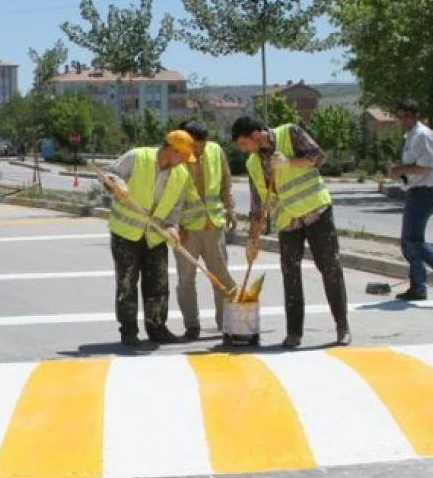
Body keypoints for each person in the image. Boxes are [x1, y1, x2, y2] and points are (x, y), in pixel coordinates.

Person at [230, 115, 351, 348]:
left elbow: (318, 156)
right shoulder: (253, 164)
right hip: (287, 220)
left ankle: (342, 327)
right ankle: (294, 333)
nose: (244, 150)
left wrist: (289, 162)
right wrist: (252, 239)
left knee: (330, 268)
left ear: (256, 134)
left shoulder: (290, 133)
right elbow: (258, 204)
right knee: (290, 275)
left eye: (245, 144)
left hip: (316, 211)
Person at [101, 129, 195, 346]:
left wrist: (172, 227)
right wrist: (117, 184)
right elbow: (109, 174)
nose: (183, 161)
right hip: (126, 233)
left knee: (158, 284)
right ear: (171, 150)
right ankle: (129, 331)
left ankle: (157, 328)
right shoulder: (137, 157)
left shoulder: (180, 174)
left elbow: (175, 208)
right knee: (127, 283)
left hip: (155, 236)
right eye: (181, 156)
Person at [389, 98, 433, 302]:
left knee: (414, 241)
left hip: (425, 192)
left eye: (405, 116)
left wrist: (401, 169)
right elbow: (416, 168)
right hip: (416, 190)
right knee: (407, 243)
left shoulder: (422, 135)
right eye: (399, 116)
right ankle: (418, 287)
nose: (402, 120)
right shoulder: (411, 135)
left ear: (415, 115)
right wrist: (401, 174)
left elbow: (426, 167)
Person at [173, 120, 238, 340]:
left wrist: (230, 209)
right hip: (186, 230)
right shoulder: (175, 156)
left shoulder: (215, 151)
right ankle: (192, 326)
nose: (199, 151)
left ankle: (226, 324)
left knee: (221, 277)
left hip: (213, 226)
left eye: (202, 145)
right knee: (186, 280)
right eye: (195, 146)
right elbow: (168, 195)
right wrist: (176, 226)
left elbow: (225, 182)